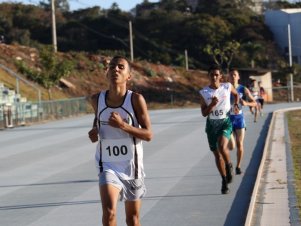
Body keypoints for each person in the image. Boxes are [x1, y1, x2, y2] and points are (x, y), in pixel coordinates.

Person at [88, 55, 153, 226]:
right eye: (112, 66)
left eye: (120, 67)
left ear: (129, 76)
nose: (115, 69)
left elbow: (148, 135)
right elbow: (97, 123)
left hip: (132, 166)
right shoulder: (97, 99)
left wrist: (123, 126)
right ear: (106, 72)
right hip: (107, 164)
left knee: (133, 219)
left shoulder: (136, 100)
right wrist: (94, 133)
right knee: (109, 213)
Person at [199, 64, 239, 194]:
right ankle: (223, 180)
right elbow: (204, 113)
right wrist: (212, 104)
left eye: (217, 74)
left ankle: (229, 166)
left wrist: (236, 104)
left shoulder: (227, 86)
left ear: (220, 76)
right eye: (212, 75)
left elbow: (236, 94)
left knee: (222, 147)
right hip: (211, 125)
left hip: (225, 122)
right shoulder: (204, 92)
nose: (214, 77)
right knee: (217, 155)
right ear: (208, 76)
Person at [228, 68, 257, 175]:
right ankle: (228, 162)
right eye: (231, 75)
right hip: (228, 119)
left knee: (240, 144)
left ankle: (238, 167)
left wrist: (247, 104)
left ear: (238, 77)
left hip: (239, 119)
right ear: (228, 77)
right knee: (231, 146)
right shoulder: (225, 88)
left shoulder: (243, 89)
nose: (233, 76)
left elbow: (255, 103)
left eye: (235, 74)